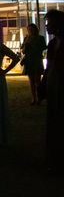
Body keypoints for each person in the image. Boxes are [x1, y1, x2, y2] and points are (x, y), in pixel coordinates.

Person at [44, 10, 64, 173]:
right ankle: (54, 158)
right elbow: (49, 66)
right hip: (53, 84)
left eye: (49, 23)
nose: (46, 26)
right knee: (54, 120)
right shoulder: (51, 44)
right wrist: (44, 83)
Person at [20, 23, 47, 105]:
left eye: (31, 29)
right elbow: (23, 51)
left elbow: (42, 48)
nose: (30, 31)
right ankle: (34, 98)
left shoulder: (40, 38)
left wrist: (31, 45)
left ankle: (39, 98)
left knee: (37, 80)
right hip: (29, 61)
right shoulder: (26, 38)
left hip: (37, 60)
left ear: (35, 30)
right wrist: (25, 45)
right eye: (29, 29)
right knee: (31, 81)